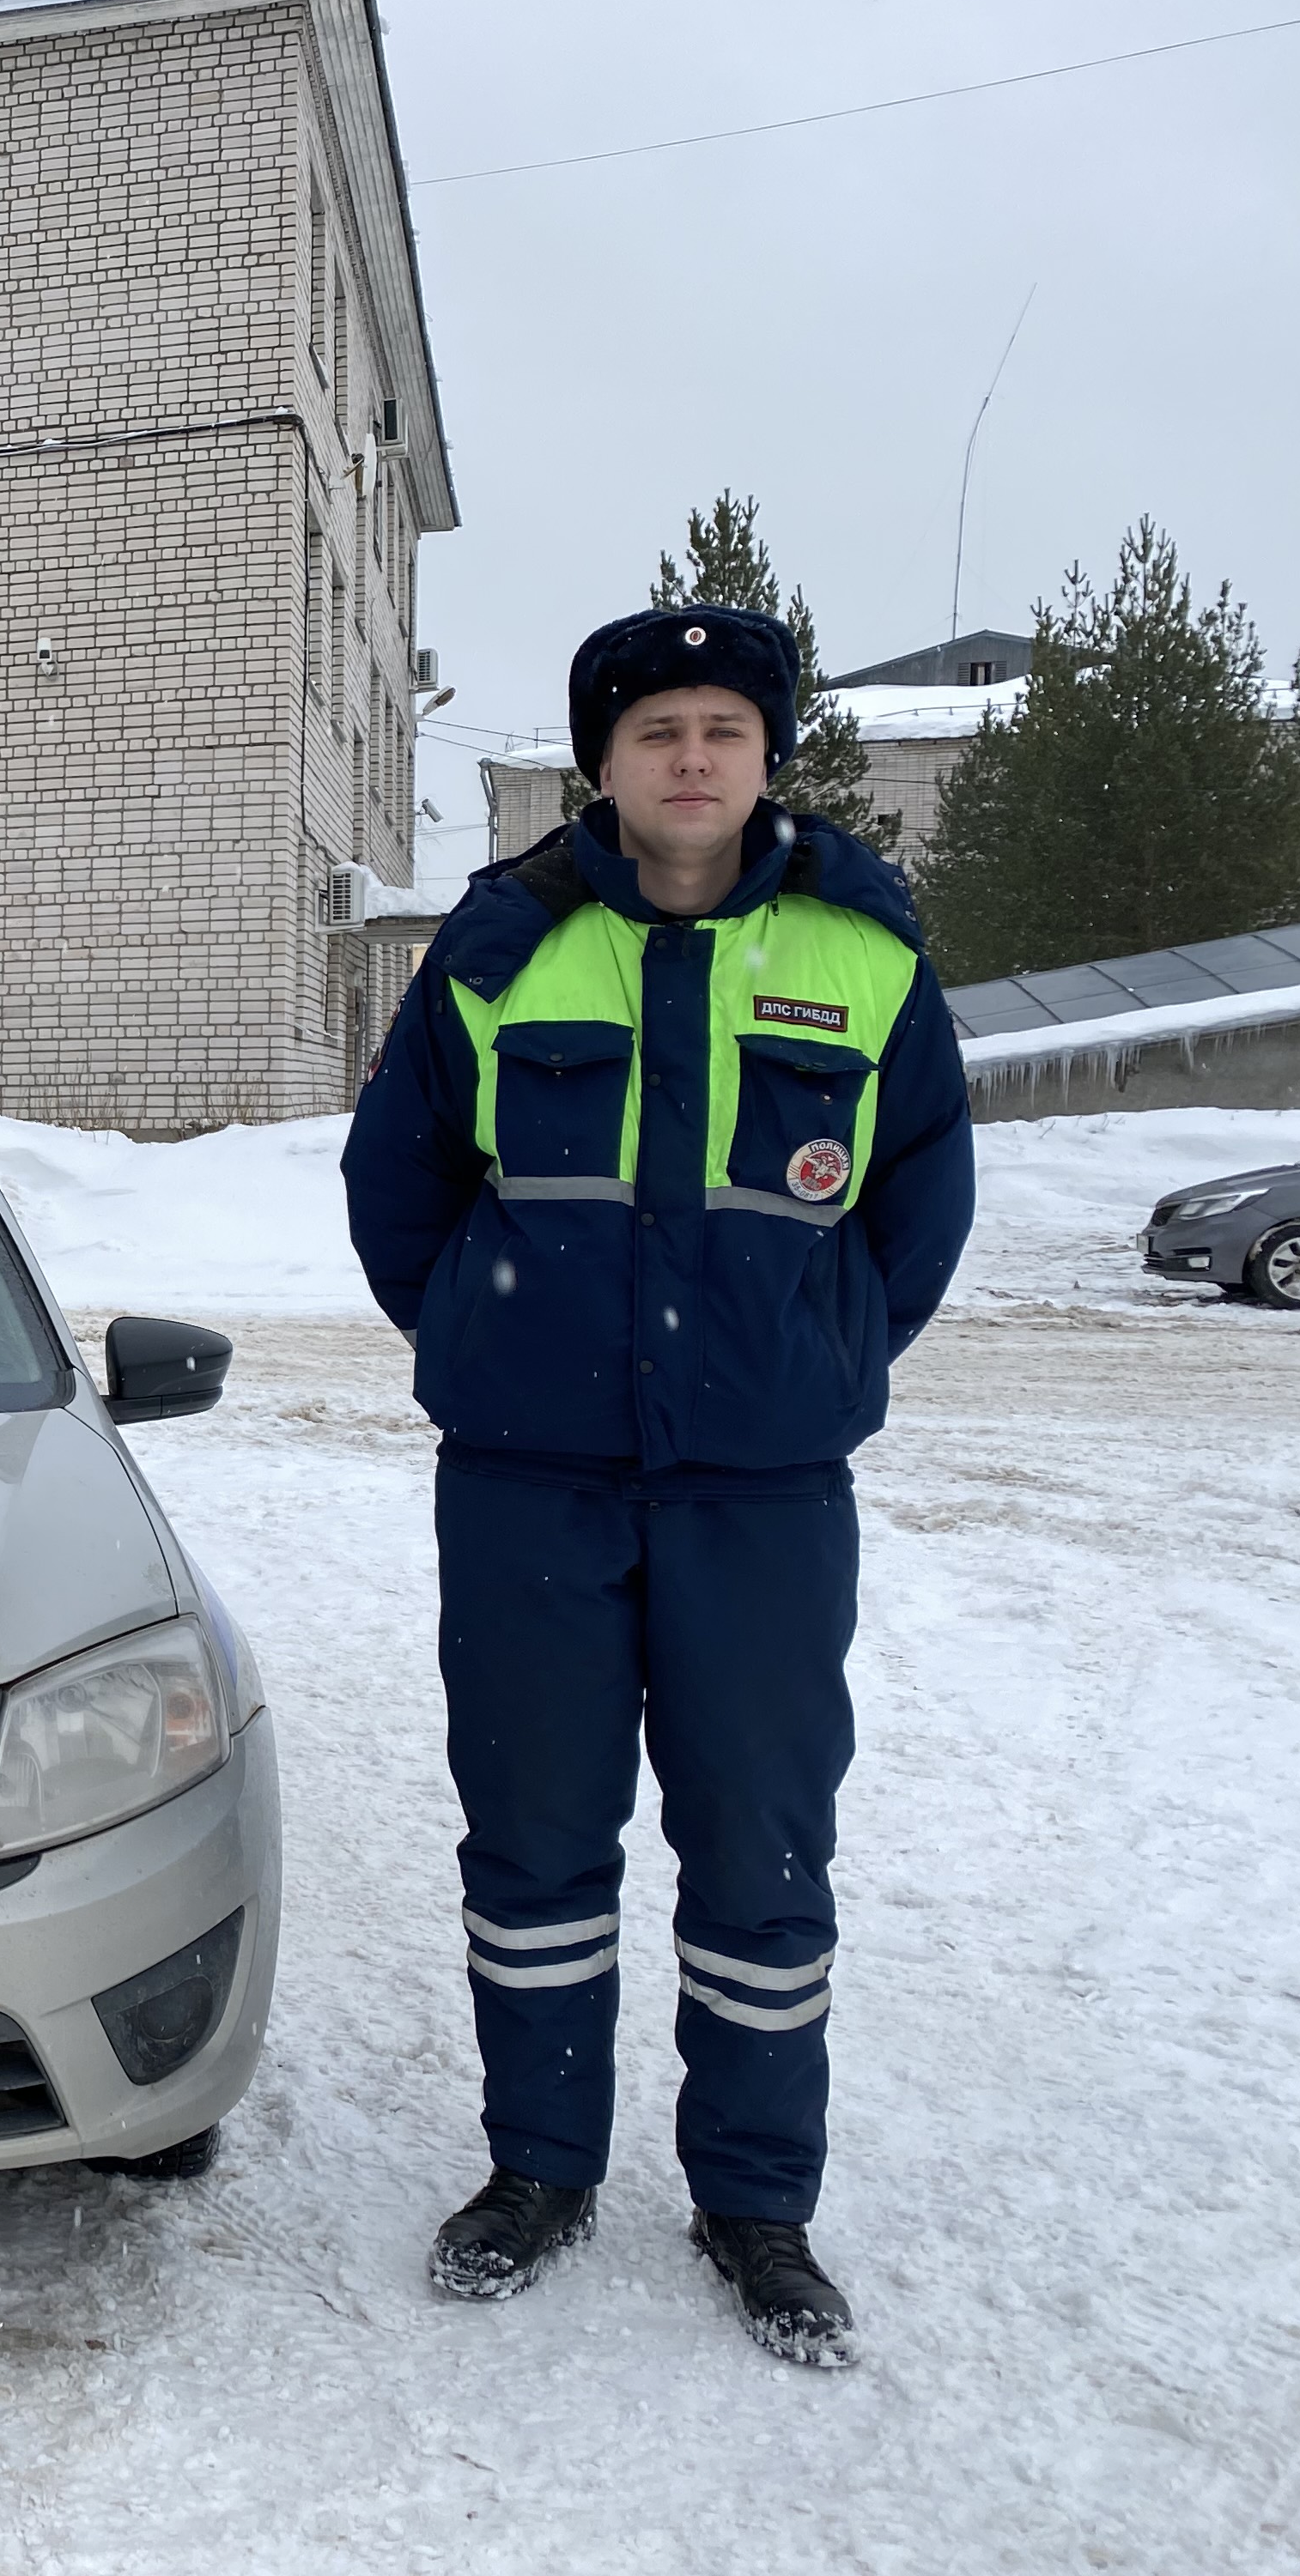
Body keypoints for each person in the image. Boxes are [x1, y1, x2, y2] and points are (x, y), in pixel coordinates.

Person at [339, 603, 975, 2367]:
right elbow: (402, 1189)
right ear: (603, 766)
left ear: (767, 759)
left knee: (763, 1859)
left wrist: (818, 1355)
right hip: (530, 1486)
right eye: (654, 733)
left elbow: (915, 1210)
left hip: (762, 1497)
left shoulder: (862, 955)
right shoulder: (501, 948)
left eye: (722, 729)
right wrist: (486, 1338)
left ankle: (757, 2202)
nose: (689, 758)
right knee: (534, 1844)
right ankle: (537, 2172)